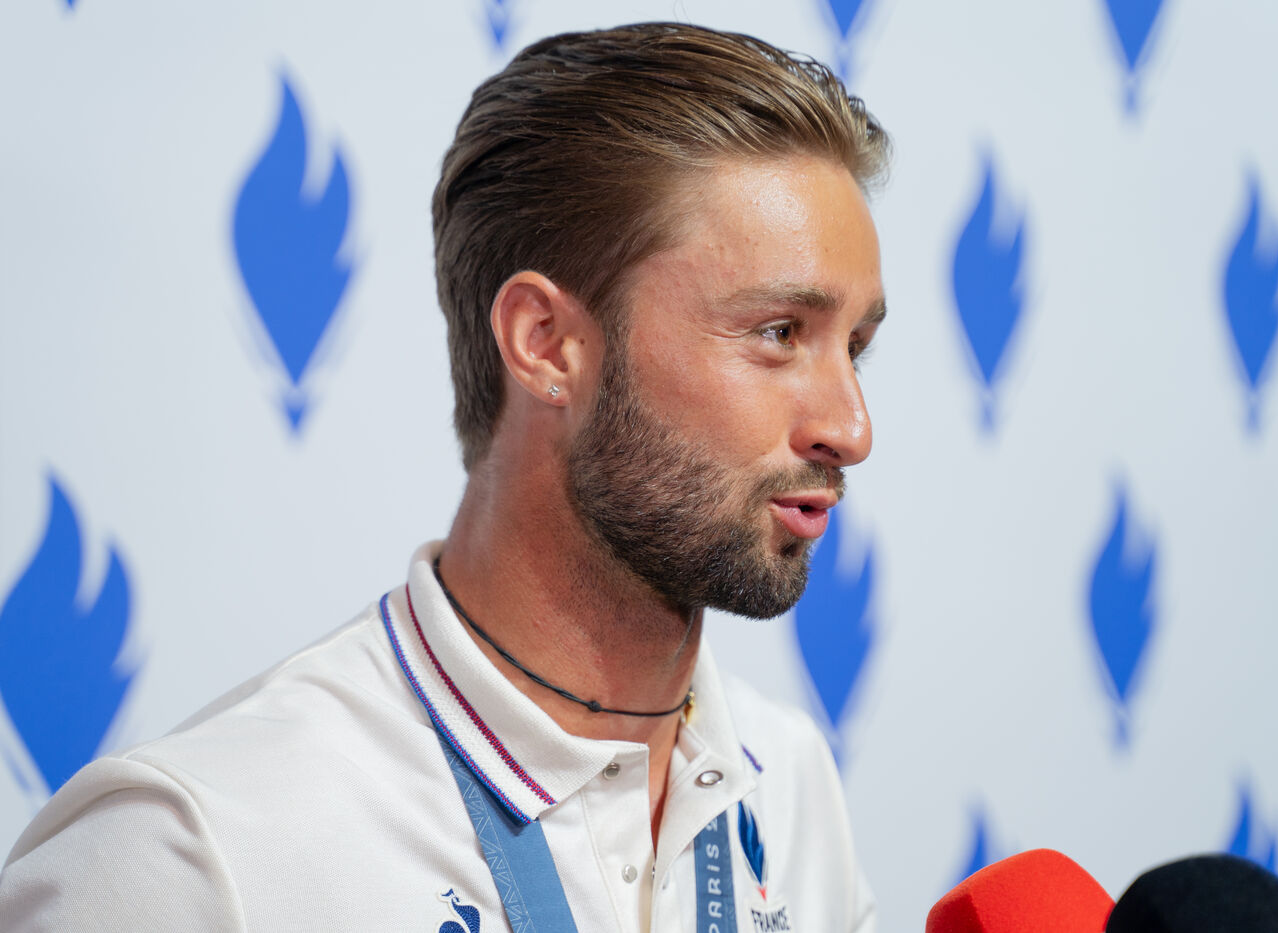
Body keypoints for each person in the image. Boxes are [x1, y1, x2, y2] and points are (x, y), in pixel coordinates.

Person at [0, 22, 889, 932]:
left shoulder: (791, 784)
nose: (852, 430)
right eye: (780, 333)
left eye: (855, 346)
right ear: (546, 343)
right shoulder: (191, 853)